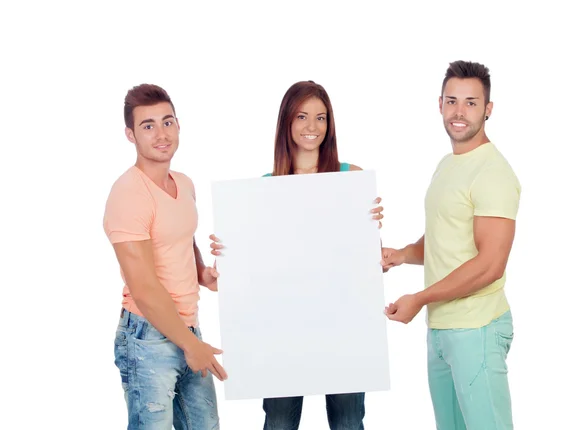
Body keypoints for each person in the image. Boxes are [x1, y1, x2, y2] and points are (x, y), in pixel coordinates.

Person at [209, 80, 384, 430]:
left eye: (321, 118)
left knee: (349, 422)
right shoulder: (263, 187)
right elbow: (240, 275)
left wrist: (371, 231)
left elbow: (370, 265)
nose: (312, 127)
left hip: (343, 326)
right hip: (282, 330)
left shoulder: (352, 178)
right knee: (278, 423)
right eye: (302, 116)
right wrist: (225, 255)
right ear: (287, 122)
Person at [382, 61, 521, 430]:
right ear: (440, 104)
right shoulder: (448, 164)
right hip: (441, 329)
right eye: (452, 101)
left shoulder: (493, 172)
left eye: (471, 102)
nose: (459, 112)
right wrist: (400, 255)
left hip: (477, 328)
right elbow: (445, 237)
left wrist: (420, 298)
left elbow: (491, 264)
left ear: (488, 109)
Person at [103, 83, 227, 429]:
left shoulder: (183, 183)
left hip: (187, 326)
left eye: (167, 122)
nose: (161, 134)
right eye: (148, 125)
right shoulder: (128, 194)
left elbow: (182, 237)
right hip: (147, 335)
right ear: (130, 135)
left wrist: (202, 272)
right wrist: (191, 344)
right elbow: (143, 287)